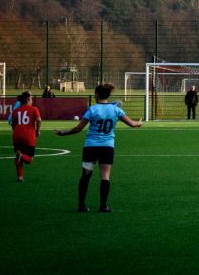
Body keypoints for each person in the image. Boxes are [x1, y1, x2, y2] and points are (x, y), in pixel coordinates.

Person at [55, 83, 142, 212]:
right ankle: (103, 206)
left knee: (86, 175)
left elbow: (79, 128)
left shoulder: (92, 109)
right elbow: (132, 124)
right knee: (105, 176)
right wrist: (139, 123)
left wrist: (64, 133)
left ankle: (81, 205)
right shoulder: (115, 109)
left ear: (96, 95)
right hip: (107, 147)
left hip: (91, 146)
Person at [10, 91, 41, 182]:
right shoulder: (34, 109)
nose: (32, 101)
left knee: (18, 157)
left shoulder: (16, 111)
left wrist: (17, 133)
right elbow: (39, 120)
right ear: (28, 100)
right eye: (31, 99)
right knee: (29, 159)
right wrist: (38, 131)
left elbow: (13, 125)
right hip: (28, 136)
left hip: (17, 136)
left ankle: (20, 177)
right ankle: (21, 155)